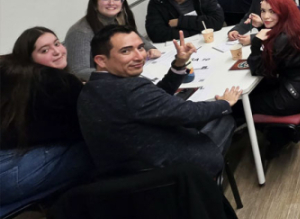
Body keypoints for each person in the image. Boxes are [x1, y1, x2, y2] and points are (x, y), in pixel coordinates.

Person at [78, 27, 240, 177]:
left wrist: (179, 64)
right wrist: (225, 104)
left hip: (124, 176)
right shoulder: (130, 88)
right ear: (101, 60)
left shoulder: (89, 90)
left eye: (140, 47)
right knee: (224, 119)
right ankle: (210, 180)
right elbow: (189, 114)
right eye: (126, 51)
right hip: (169, 172)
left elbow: (153, 101)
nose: (139, 56)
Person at [1, 28, 94, 216]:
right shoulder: (56, 82)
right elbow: (89, 127)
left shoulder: (18, 79)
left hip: (8, 163)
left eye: (57, 43)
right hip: (14, 171)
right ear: (29, 58)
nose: (58, 51)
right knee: (98, 150)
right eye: (45, 50)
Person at [247, 0, 300, 154]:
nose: (266, 16)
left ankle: (278, 138)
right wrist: (263, 28)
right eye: (263, 11)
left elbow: (260, 70)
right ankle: (280, 134)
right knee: (261, 90)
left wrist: (255, 43)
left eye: (272, 11)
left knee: (246, 103)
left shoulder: (283, 39)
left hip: (293, 96)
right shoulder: (294, 25)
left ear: (283, 11)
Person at [65, 0, 160, 81]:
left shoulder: (118, 19)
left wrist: (150, 48)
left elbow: (137, 38)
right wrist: (118, 74)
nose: (111, 3)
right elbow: (78, 71)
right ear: (94, 4)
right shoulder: (80, 32)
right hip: (101, 84)